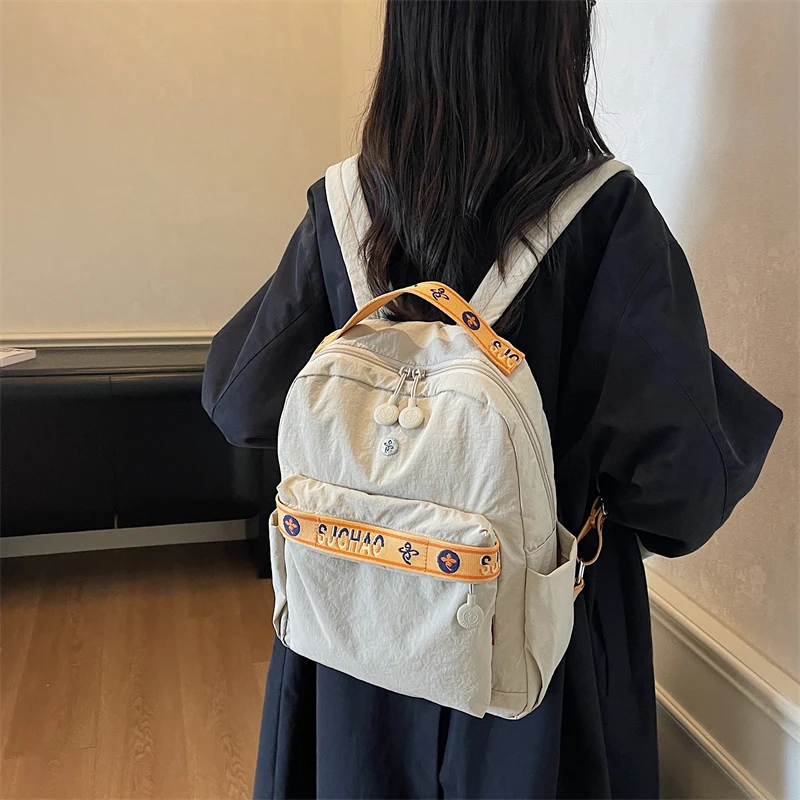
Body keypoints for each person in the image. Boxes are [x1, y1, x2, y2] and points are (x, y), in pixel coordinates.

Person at [202, 1, 782, 797]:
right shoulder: (607, 217)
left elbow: (238, 400)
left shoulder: (345, 209)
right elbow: (685, 492)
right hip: (538, 659)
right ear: (553, 33)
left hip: (357, 635)